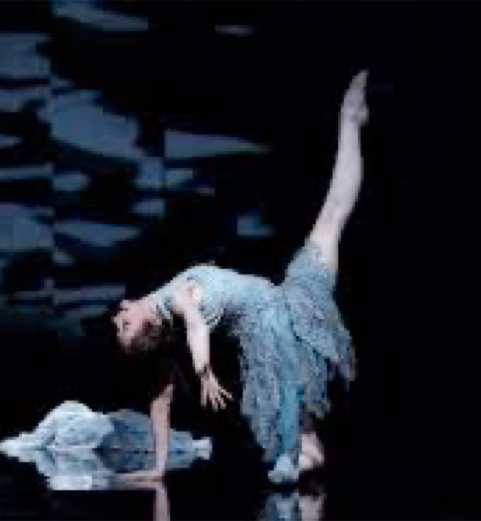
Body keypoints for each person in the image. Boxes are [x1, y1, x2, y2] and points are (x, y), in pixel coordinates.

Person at [112, 71, 368, 484]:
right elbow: (175, 370)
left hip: (288, 297)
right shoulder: (174, 303)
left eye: (119, 323)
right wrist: (203, 373)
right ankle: (298, 455)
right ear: (151, 325)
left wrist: (158, 467)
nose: (118, 316)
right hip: (271, 324)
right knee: (285, 392)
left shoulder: (162, 310)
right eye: (125, 326)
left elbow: (186, 341)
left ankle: (350, 118)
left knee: (332, 215)